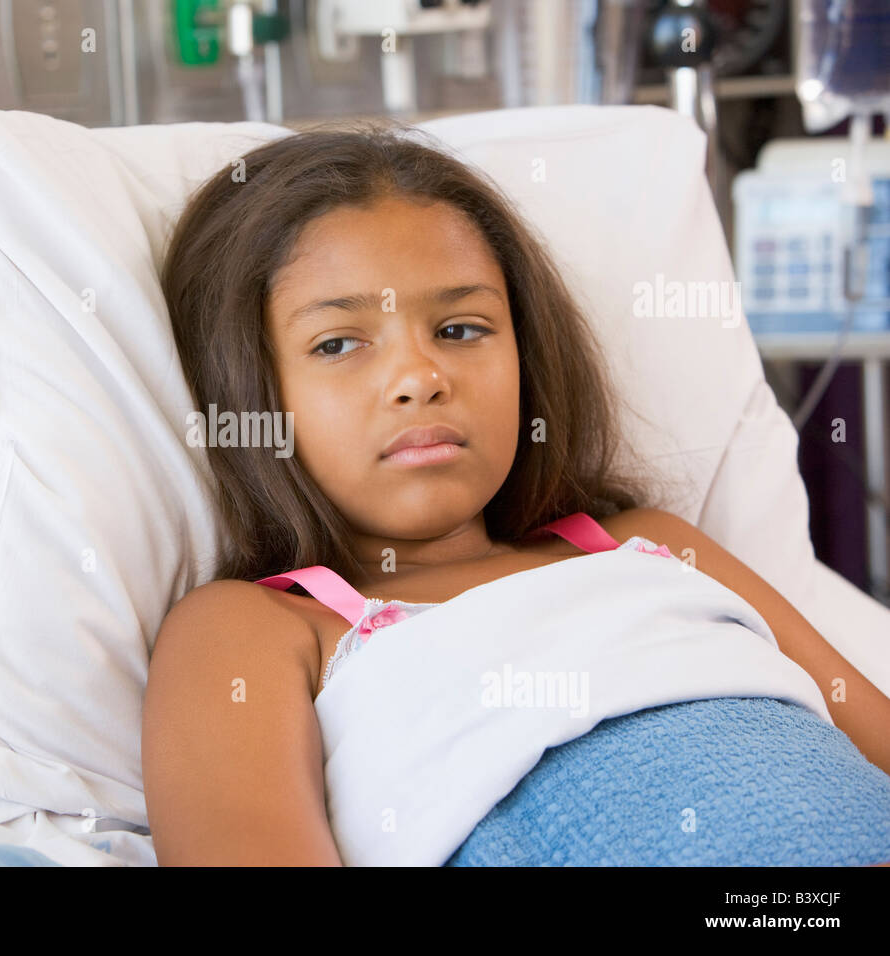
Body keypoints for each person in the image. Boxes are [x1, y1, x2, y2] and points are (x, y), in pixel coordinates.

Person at [142, 124, 890, 866]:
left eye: (461, 329)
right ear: (253, 392)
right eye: (338, 343)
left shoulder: (655, 547)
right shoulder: (256, 629)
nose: (420, 376)